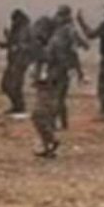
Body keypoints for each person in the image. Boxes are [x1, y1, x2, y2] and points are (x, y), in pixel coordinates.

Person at [47, 5, 88, 130]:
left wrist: (79, 72)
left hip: (61, 67)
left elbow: (76, 50)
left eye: (59, 15)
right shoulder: (60, 30)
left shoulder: (69, 31)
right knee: (57, 96)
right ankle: (61, 123)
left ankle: (55, 123)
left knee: (57, 96)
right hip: (55, 66)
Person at [30, 16, 65, 157]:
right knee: (47, 117)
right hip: (46, 84)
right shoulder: (48, 45)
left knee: (39, 115)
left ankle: (51, 141)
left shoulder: (54, 45)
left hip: (49, 85)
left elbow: (58, 64)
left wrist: (50, 78)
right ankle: (48, 147)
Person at [0, 9, 34, 117]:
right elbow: (14, 43)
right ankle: (16, 106)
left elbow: (29, 46)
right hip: (13, 61)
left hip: (20, 61)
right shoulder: (17, 29)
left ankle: (20, 107)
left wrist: (17, 47)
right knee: (6, 85)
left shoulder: (27, 30)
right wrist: (6, 43)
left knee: (15, 86)